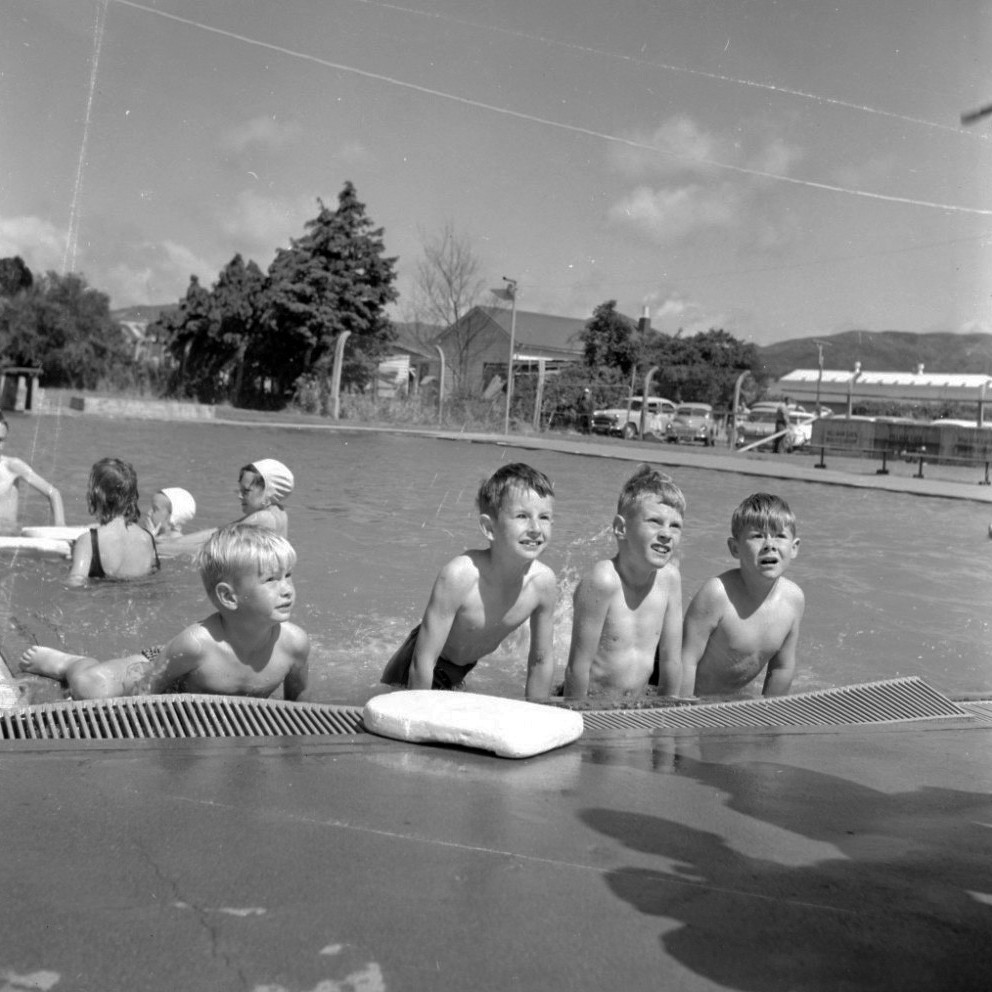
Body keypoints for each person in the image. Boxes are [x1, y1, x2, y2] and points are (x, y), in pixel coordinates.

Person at [20, 524, 310, 701]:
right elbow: (146, 690)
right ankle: (70, 663)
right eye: (271, 580)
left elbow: (298, 702)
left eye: (289, 575)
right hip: (164, 670)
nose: (286, 589)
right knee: (89, 687)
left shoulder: (295, 644)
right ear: (228, 596)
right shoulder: (197, 645)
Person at [380, 462, 557, 700]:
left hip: (457, 672)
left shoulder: (543, 584)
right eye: (522, 516)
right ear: (488, 528)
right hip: (412, 671)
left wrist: (539, 714)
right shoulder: (460, 576)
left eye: (544, 517)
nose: (536, 528)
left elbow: (541, 660)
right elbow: (422, 662)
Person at [562, 465, 684, 699]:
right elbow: (577, 668)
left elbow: (671, 662)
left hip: (635, 704)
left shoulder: (670, 580)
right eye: (655, 521)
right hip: (592, 702)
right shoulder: (603, 581)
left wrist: (666, 722)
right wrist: (580, 721)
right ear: (621, 528)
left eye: (675, 525)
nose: (666, 533)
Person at [680, 492, 804, 698]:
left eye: (780, 536)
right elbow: (685, 661)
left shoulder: (794, 600)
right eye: (757, 536)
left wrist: (770, 717)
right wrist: (682, 713)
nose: (769, 544)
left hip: (732, 701)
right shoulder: (717, 594)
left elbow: (782, 667)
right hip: (694, 696)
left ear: (794, 548)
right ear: (735, 548)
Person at [159, 459, 293, 553]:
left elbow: (213, 547)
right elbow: (218, 532)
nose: (239, 496)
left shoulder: (263, 518)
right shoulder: (278, 511)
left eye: (246, 491)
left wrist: (158, 549)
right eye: (239, 490)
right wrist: (174, 542)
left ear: (268, 492)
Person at [67, 458, 160, 586]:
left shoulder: (88, 541)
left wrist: (76, 554)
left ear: (97, 495)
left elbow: (74, 584)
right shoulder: (148, 539)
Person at [0, 411, 66, 534]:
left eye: (1, 440)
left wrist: (60, 527)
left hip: (7, 538)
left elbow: (53, 493)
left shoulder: (12, 466)